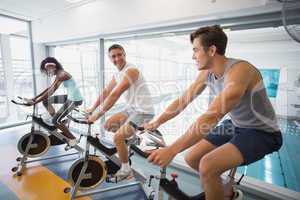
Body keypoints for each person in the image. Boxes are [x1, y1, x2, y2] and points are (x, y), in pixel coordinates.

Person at [144, 25, 282, 200]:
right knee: (192, 158)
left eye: (195, 50)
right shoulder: (207, 73)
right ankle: (224, 192)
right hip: (236, 124)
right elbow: (183, 100)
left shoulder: (240, 71)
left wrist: (171, 150)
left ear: (211, 50)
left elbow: (212, 116)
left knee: (208, 165)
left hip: (263, 132)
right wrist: (157, 122)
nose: (193, 56)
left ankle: (220, 190)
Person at [86, 44, 155, 180]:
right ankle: (133, 138)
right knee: (108, 125)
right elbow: (107, 92)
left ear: (124, 55)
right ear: (109, 58)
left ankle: (125, 170)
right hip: (131, 108)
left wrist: (96, 115)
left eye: (120, 54)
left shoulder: (131, 71)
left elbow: (115, 94)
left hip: (144, 111)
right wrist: (92, 109)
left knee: (118, 137)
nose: (117, 58)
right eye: (113, 56)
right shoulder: (117, 74)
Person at [28, 57, 83, 146]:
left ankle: (73, 139)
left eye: (49, 68)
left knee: (55, 120)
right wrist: (35, 98)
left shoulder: (62, 74)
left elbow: (51, 91)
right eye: (47, 69)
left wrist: (35, 102)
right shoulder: (59, 74)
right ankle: (57, 122)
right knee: (46, 101)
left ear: (55, 66)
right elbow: (49, 88)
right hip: (69, 96)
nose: (48, 71)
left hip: (75, 100)